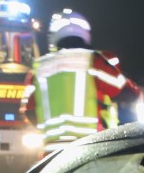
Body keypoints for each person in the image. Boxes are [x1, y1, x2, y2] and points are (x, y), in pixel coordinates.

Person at [25, 9, 138, 152]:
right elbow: (126, 92)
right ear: (85, 33)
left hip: (51, 154)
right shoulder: (93, 61)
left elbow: (29, 112)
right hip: (89, 150)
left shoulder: (38, 68)